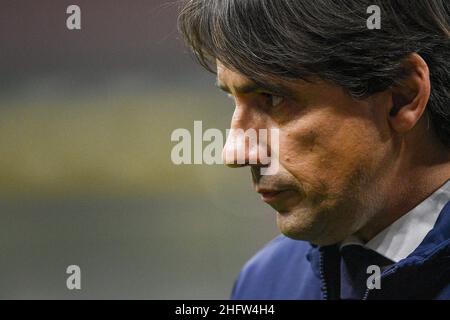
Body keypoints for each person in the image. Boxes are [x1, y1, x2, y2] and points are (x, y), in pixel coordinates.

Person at [178, 0, 450, 299]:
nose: (234, 153)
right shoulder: (265, 282)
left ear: (401, 95)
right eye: (233, 100)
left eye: (273, 98)